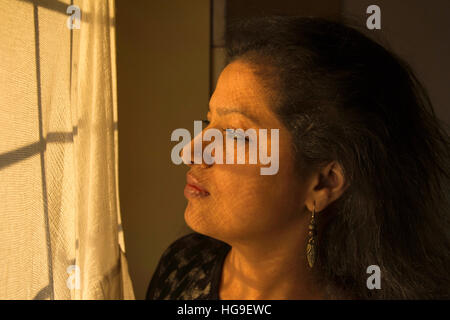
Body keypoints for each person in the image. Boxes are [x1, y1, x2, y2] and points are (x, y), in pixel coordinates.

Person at [146, 16, 450, 300]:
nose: (189, 151)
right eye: (209, 120)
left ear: (324, 183)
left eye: (236, 135)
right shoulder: (183, 267)